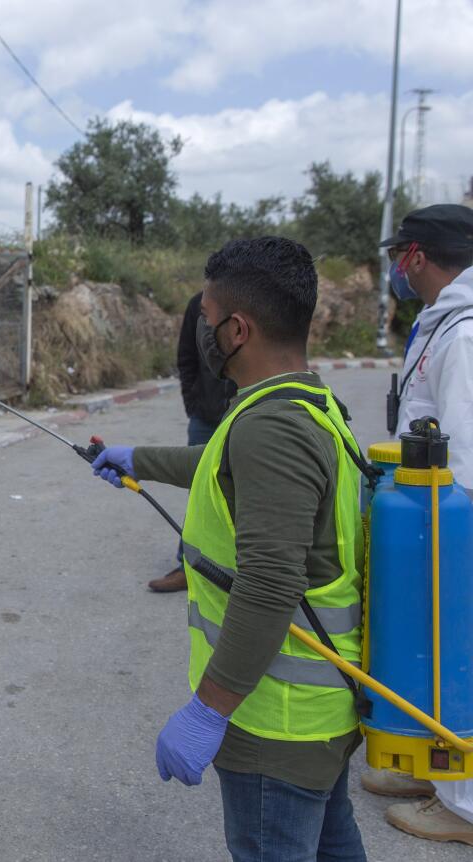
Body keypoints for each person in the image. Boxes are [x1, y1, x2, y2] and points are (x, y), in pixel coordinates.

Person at [92, 237, 367, 861]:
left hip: (277, 722)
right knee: (333, 845)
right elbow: (221, 466)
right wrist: (137, 458)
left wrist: (207, 710)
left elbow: (270, 582)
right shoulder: (306, 403)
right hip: (319, 711)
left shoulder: (271, 427)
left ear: (238, 329)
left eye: (206, 321)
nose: (203, 333)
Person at [362, 203, 473, 845]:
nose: (396, 270)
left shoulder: (463, 333)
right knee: (434, 651)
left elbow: (466, 451)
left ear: (418, 257)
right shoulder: (445, 320)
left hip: (452, 519)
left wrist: (445, 537)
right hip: (432, 512)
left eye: (399, 256)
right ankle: (437, 767)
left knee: (458, 652)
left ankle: (463, 805)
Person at [149, 292, 237, 593]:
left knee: (239, 490)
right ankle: (188, 563)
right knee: (199, 490)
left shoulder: (252, 304)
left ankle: (236, 566)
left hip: (243, 413)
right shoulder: (197, 306)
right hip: (205, 416)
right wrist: (193, 403)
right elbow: (186, 358)